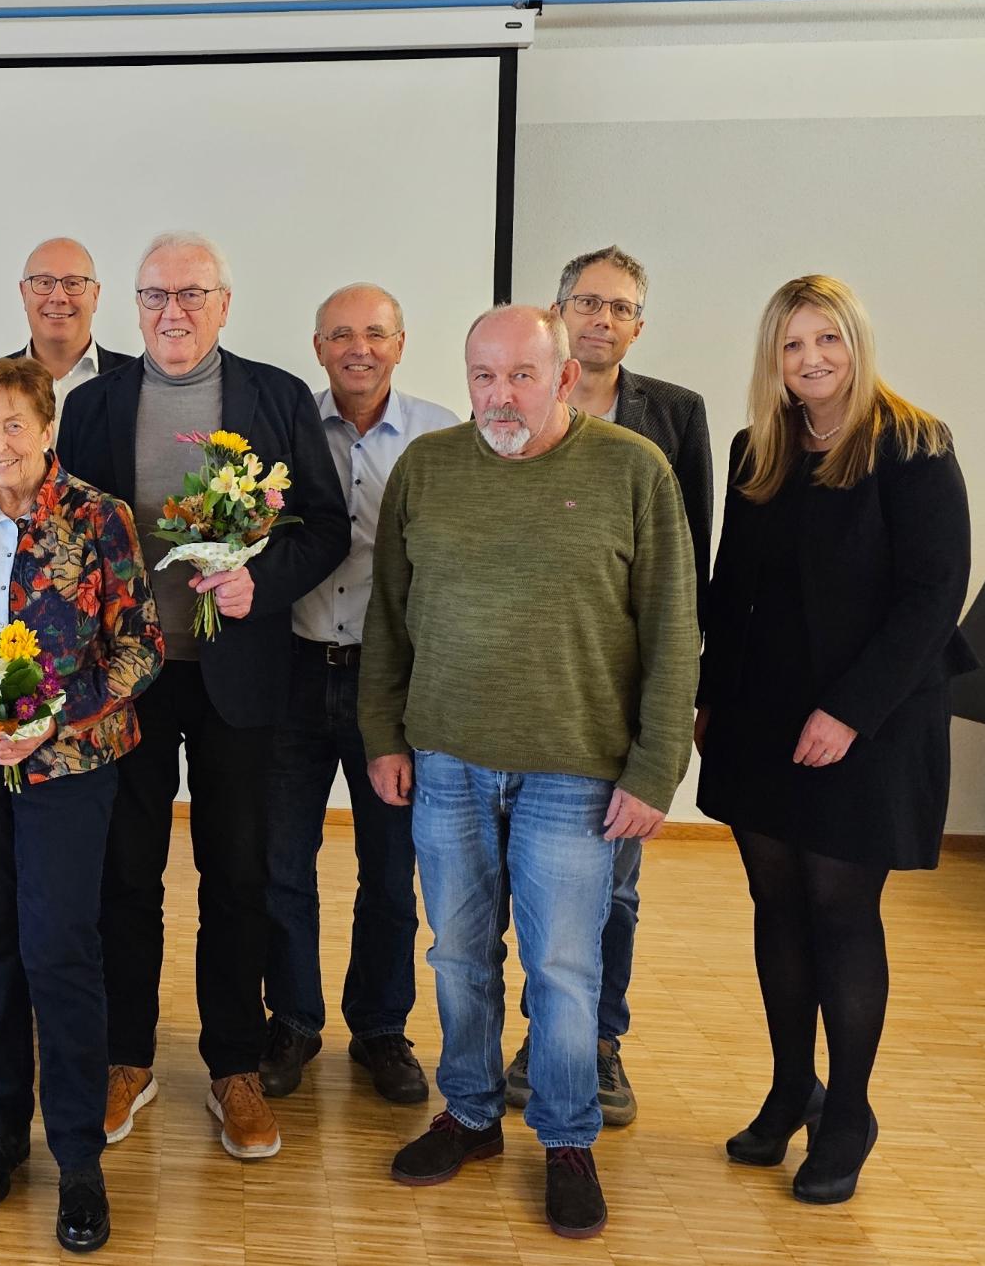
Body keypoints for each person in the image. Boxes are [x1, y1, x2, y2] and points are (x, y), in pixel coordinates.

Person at [361, 305, 695, 1241]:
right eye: (481, 376)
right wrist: (384, 736)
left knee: (562, 969)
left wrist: (657, 767)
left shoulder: (633, 469)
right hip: (447, 762)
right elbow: (389, 618)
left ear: (561, 377)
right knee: (458, 957)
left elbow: (674, 632)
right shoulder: (426, 469)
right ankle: (468, 1113)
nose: (498, 395)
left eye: (518, 375)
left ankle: (565, 1135)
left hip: (576, 773)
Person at [55, 231, 347, 1163]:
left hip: (242, 676)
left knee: (239, 875)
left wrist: (265, 579)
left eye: (191, 293)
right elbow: (68, 534)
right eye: (153, 296)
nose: (171, 311)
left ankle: (234, 1064)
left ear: (224, 302)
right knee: (127, 875)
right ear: (129, 307)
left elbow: (327, 527)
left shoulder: (276, 396)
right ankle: (124, 1057)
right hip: (130, 679)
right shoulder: (94, 402)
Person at [695, 274, 972, 1207]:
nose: (811, 360)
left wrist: (849, 711)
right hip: (762, 715)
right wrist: (706, 698)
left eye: (828, 341)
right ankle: (788, 1090)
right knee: (777, 906)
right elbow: (732, 589)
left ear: (856, 344)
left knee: (842, 911)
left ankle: (847, 1112)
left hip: (873, 719)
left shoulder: (914, 445)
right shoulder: (756, 449)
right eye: (791, 345)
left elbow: (933, 596)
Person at [0, 356, 163, 1254]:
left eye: (12, 424)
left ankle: (78, 1157)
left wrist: (49, 720)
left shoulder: (98, 518)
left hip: (69, 768)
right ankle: (3, 1130)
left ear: (46, 430)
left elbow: (139, 648)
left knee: (59, 952)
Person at [503, 245, 716, 1128]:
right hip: (514, 688)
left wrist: (679, 703)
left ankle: (596, 1040)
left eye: (620, 307)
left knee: (612, 886)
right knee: (515, 876)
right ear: (557, 312)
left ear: (639, 324)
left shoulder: (673, 416)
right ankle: (534, 1033)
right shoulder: (514, 397)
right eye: (586, 302)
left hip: (616, 700)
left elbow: (688, 571)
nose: (601, 319)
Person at [260, 283, 456, 1108]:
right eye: (341, 334)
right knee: (282, 865)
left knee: (389, 868)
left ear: (401, 344)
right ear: (318, 348)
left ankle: (380, 1027)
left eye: (375, 333)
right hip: (294, 673)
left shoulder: (443, 435)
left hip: (393, 684)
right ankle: (293, 1022)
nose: (359, 348)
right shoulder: (281, 431)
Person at [9, 237, 133, 418]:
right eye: (44, 283)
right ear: (23, 293)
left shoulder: (136, 379)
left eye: (73, 283)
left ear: (95, 295)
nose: (58, 297)